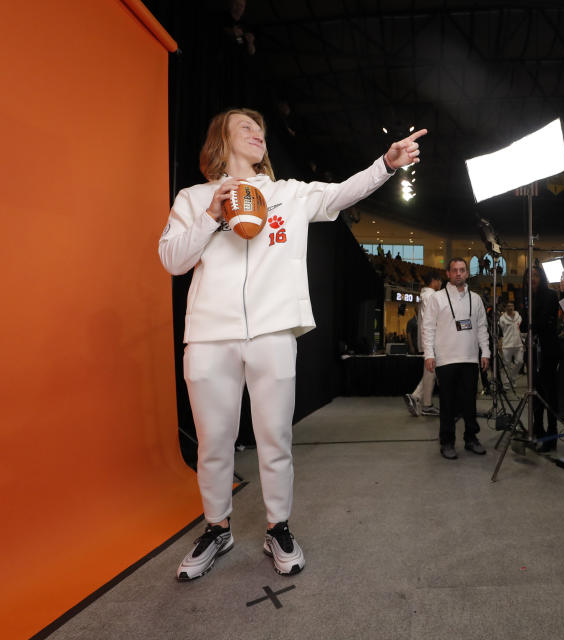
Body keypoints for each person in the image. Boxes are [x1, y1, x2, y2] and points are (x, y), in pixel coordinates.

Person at [159, 108, 426, 580]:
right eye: (245, 127)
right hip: (208, 336)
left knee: (275, 439)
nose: (257, 134)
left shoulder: (288, 195)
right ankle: (216, 528)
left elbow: (344, 192)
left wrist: (386, 164)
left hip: (273, 332)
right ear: (221, 138)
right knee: (214, 443)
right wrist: (210, 217)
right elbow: (172, 260)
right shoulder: (195, 197)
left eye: (260, 129)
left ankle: (277, 527)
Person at [421, 258, 491, 459]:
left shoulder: (476, 299)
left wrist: (485, 351)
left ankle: (471, 438)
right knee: (448, 403)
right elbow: (428, 328)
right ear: (448, 274)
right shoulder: (437, 298)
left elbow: (481, 328)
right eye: (455, 270)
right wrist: (429, 354)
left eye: (462, 270)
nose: (458, 273)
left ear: (467, 273)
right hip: (446, 359)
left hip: (470, 358)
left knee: (470, 402)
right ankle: (447, 441)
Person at [521, 265, 561, 452]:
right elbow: (524, 325)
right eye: (529, 276)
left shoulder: (551, 295)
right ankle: (537, 429)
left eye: (536, 275)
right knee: (534, 393)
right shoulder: (526, 297)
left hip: (547, 351)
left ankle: (552, 435)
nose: (533, 279)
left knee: (549, 394)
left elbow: (542, 322)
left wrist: (531, 325)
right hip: (532, 350)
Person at [404, 275, 443, 417]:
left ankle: (419, 399)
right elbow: (434, 319)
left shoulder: (425, 295)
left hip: (429, 339)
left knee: (431, 371)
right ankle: (423, 403)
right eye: (440, 281)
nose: (441, 284)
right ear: (434, 281)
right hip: (433, 339)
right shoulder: (432, 296)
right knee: (432, 370)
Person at [499, 302, 524, 378]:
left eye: (512, 305)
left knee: (520, 362)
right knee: (506, 365)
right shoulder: (502, 318)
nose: (510, 307)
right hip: (507, 344)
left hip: (518, 344)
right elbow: (501, 332)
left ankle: (512, 377)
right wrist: (500, 342)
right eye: (508, 306)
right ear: (506, 307)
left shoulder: (518, 317)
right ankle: (506, 384)